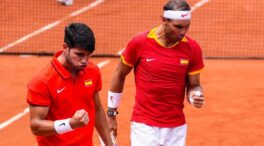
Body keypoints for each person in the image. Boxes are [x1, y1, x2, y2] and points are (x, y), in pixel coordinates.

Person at [107, 0, 205, 146]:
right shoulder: (140, 42)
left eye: (187, 26)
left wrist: (194, 95)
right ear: (164, 20)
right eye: (178, 27)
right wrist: (111, 114)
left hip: (176, 127)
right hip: (144, 125)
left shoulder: (192, 48)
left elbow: (194, 85)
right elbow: (119, 74)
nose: (183, 32)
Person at [27, 22, 113, 146]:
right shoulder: (42, 81)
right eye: (79, 54)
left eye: (88, 55)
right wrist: (70, 124)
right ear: (65, 47)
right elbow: (36, 126)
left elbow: (97, 109)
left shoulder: (92, 70)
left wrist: (109, 143)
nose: (85, 60)